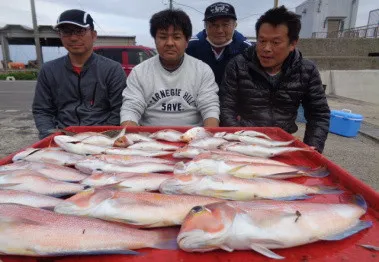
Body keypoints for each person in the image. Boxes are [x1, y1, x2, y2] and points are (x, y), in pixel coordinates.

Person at [220, 6, 330, 153]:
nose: (266, 48)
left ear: (293, 43)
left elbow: (319, 114)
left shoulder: (307, 70)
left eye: (276, 42)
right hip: (243, 143)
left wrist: (311, 151)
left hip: (281, 144)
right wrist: (238, 141)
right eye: (262, 40)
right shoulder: (238, 65)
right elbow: (226, 108)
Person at [32, 9, 126, 139]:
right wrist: (50, 135)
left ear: (93, 35)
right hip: (63, 137)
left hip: (101, 138)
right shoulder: (49, 70)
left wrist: (105, 137)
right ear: (60, 36)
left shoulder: (112, 69)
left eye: (80, 31)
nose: (73, 38)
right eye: (66, 32)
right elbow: (42, 110)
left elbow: (119, 110)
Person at [120, 9, 220, 127]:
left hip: (192, 138)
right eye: (163, 37)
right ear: (155, 40)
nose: (169, 43)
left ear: (187, 41)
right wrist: (130, 139)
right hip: (149, 139)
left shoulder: (202, 70)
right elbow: (131, 109)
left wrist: (208, 139)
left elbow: (210, 108)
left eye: (177, 37)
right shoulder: (139, 72)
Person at [186, 2, 251, 86]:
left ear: (235, 25)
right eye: (213, 25)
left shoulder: (245, 48)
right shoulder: (190, 46)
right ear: (205, 26)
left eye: (225, 25)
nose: (220, 30)